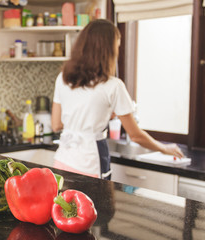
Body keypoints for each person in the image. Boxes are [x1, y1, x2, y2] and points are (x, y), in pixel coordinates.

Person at [51, 19, 184, 179]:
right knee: (97, 205)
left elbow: (56, 124)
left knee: (64, 204)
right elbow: (135, 135)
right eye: (117, 46)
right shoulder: (113, 86)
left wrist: (89, 120)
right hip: (90, 164)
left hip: (62, 162)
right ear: (108, 50)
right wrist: (164, 148)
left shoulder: (63, 78)